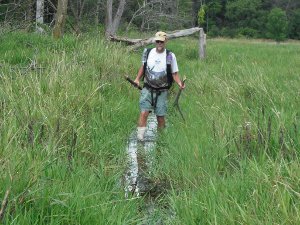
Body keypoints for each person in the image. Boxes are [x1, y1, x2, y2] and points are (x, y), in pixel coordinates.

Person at [134, 31, 185, 141]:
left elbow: (174, 73)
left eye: (161, 41)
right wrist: (137, 79)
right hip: (147, 89)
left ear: (165, 41)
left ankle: (161, 140)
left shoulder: (170, 56)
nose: (159, 43)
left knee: (160, 117)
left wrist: (180, 83)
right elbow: (143, 67)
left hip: (162, 91)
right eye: (157, 41)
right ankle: (140, 139)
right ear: (155, 41)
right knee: (144, 113)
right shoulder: (147, 52)